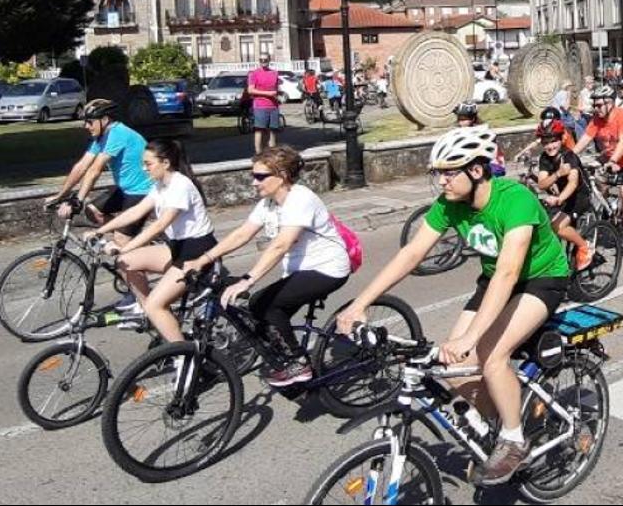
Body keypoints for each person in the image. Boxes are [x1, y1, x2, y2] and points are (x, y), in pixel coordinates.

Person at [336, 127, 571, 485]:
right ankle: (509, 414)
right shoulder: (450, 205)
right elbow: (412, 253)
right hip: (494, 279)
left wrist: (473, 337)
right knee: (457, 370)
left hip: (541, 278)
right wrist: (360, 305)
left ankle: (514, 439)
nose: (440, 181)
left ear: (476, 171)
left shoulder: (515, 198)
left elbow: (509, 272)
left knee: (490, 354)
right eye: (438, 173)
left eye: (448, 172)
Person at [187, 146, 352, 387]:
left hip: (328, 267)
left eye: (260, 176)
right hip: (299, 269)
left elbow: (281, 244)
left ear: (283, 175)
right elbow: (242, 234)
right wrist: (203, 259)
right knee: (258, 307)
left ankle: (299, 364)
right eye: (253, 176)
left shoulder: (301, 199)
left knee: (270, 306)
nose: (254, 182)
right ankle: (288, 360)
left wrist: (248, 279)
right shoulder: (269, 203)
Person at [85, 139, 215, 337]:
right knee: (125, 262)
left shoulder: (180, 185)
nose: (144, 169)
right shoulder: (160, 185)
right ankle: (156, 317)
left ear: (165, 163)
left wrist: (125, 247)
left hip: (196, 251)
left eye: (148, 164)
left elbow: (159, 225)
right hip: (177, 248)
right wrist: (100, 231)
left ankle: (183, 356)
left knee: (155, 305)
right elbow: (135, 211)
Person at [45, 99, 154, 265]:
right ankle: (135, 239)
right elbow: (81, 166)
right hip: (125, 189)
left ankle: (138, 253)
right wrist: (60, 195)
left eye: (90, 122)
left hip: (143, 190)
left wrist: (78, 199)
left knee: (120, 239)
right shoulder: (101, 137)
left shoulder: (118, 133)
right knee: (93, 210)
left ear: (104, 120)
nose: (86, 126)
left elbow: (95, 169)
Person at [573, 86, 623, 248]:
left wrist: (613, 161)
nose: (596, 109)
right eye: (594, 105)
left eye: (599, 105)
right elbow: (585, 139)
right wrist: (569, 157)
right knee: (596, 182)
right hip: (610, 157)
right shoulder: (596, 120)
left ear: (610, 103)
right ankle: (610, 209)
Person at [533, 120, 595, 269]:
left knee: (557, 227)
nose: (550, 146)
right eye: (546, 142)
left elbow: (573, 183)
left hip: (580, 196)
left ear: (561, 139)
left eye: (554, 141)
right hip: (562, 197)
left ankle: (585, 246)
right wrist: (557, 174)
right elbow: (542, 183)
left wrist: (560, 199)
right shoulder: (545, 158)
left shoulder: (569, 156)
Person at [247, 55, 282, 153]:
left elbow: (276, 88)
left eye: (265, 60)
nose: (263, 62)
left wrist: (279, 94)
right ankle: (258, 154)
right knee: (259, 130)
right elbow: (250, 90)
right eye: (261, 60)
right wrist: (268, 94)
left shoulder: (274, 73)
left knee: (273, 130)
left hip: (273, 105)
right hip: (260, 105)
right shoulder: (254, 74)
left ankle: (272, 154)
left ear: (269, 60)